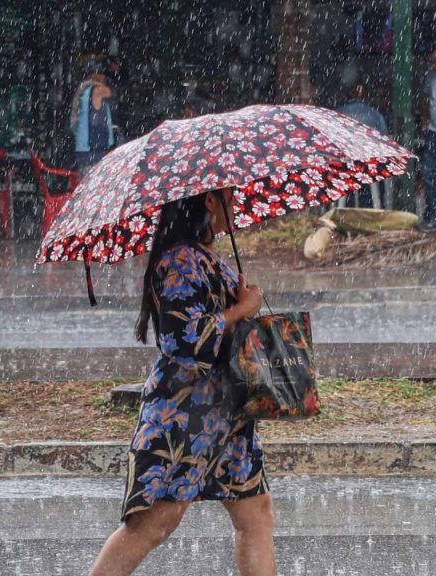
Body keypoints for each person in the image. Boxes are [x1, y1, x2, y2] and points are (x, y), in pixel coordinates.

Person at [88, 188, 274, 576]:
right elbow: (182, 339)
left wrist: (243, 303)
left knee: (255, 512)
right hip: (184, 418)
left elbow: (221, 328)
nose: (236, 202)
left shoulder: (204, 257)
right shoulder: (178, 261)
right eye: (229, 196)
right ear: (209, 202)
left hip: (226, 414)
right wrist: (242, 308)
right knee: (152, 525)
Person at [336, 84, 390, 208]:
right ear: (365, 96)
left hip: (344, 164)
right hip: (369, 164)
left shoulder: (338, 112)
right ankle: (369, 206)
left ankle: (345, 207)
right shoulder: (375, 114)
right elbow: (385, 138)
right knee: (374, 180)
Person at [70, 62, 116, 174]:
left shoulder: (83, 90)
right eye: (104, 75)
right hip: (94, 151)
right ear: (98, 75)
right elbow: (113, 94)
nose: (105, 78)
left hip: (83, 150)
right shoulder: (97, 90)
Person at [420, 49, 436, 230]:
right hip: (433, 131)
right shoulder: (431, 76)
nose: (434, 66)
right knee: (429, 173)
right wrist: (425, 118)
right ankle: (432, 213)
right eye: (432, 62)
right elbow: (426, 98)